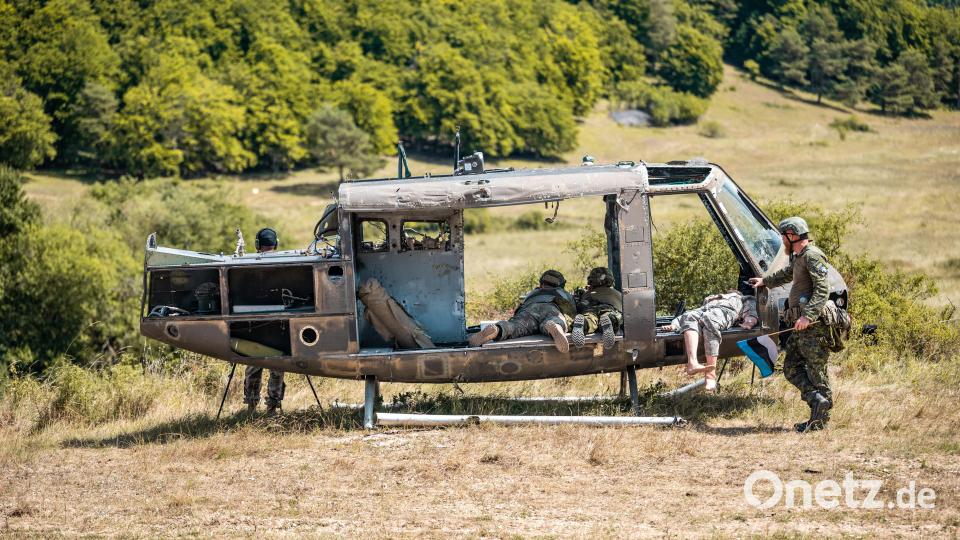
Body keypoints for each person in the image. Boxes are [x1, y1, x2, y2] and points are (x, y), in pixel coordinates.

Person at [748, 216, 833, 432]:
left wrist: (809, 316)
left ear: (792, 236)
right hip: (801, 325)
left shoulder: (813, 256)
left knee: (817, 371)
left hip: (814, 326)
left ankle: (819, 420)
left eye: (783, 237)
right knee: (791, 368)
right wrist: (765, 281)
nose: (782, 242)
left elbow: (823, 289)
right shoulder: (799, 256)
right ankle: (817, 401)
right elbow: (787, 274)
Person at [660, 291, 758, 392]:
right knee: (689, 316)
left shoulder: (742, 298)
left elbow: (751, 311)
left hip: (725, 311)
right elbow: (688, 314)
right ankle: (692, 363)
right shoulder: (713, 298)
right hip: (705, 310)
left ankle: (710, 376)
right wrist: (675, 324)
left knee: (710, 322)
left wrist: (749, 322)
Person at [468, 269, 576, 352]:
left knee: (515, 326)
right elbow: (571, 311)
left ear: (542, 283)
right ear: (561, 285)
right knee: (555, 320)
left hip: (530, 309)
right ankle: (556, 327)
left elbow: (521, 306)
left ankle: (497, 330)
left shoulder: (534, 292)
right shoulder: (562, 293)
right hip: (552, 308)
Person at [243, 227, 286, 413]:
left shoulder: (248, 264)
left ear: (258, 245)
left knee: (254, 365)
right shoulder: (285, 263)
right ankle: (272, 408)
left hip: (255, 324)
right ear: (275, 244)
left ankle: (251, 407)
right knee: (277, 367)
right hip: (279, 324)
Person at [571, 267, 623, 350]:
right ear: (611, 280)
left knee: (590, 318)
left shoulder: (587, 293)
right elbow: (623, 309)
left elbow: (579, 306)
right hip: (609, 308)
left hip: (591, 308)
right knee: (613, 316)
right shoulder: (617, 294)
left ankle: (584, 323)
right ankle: (609, 322)